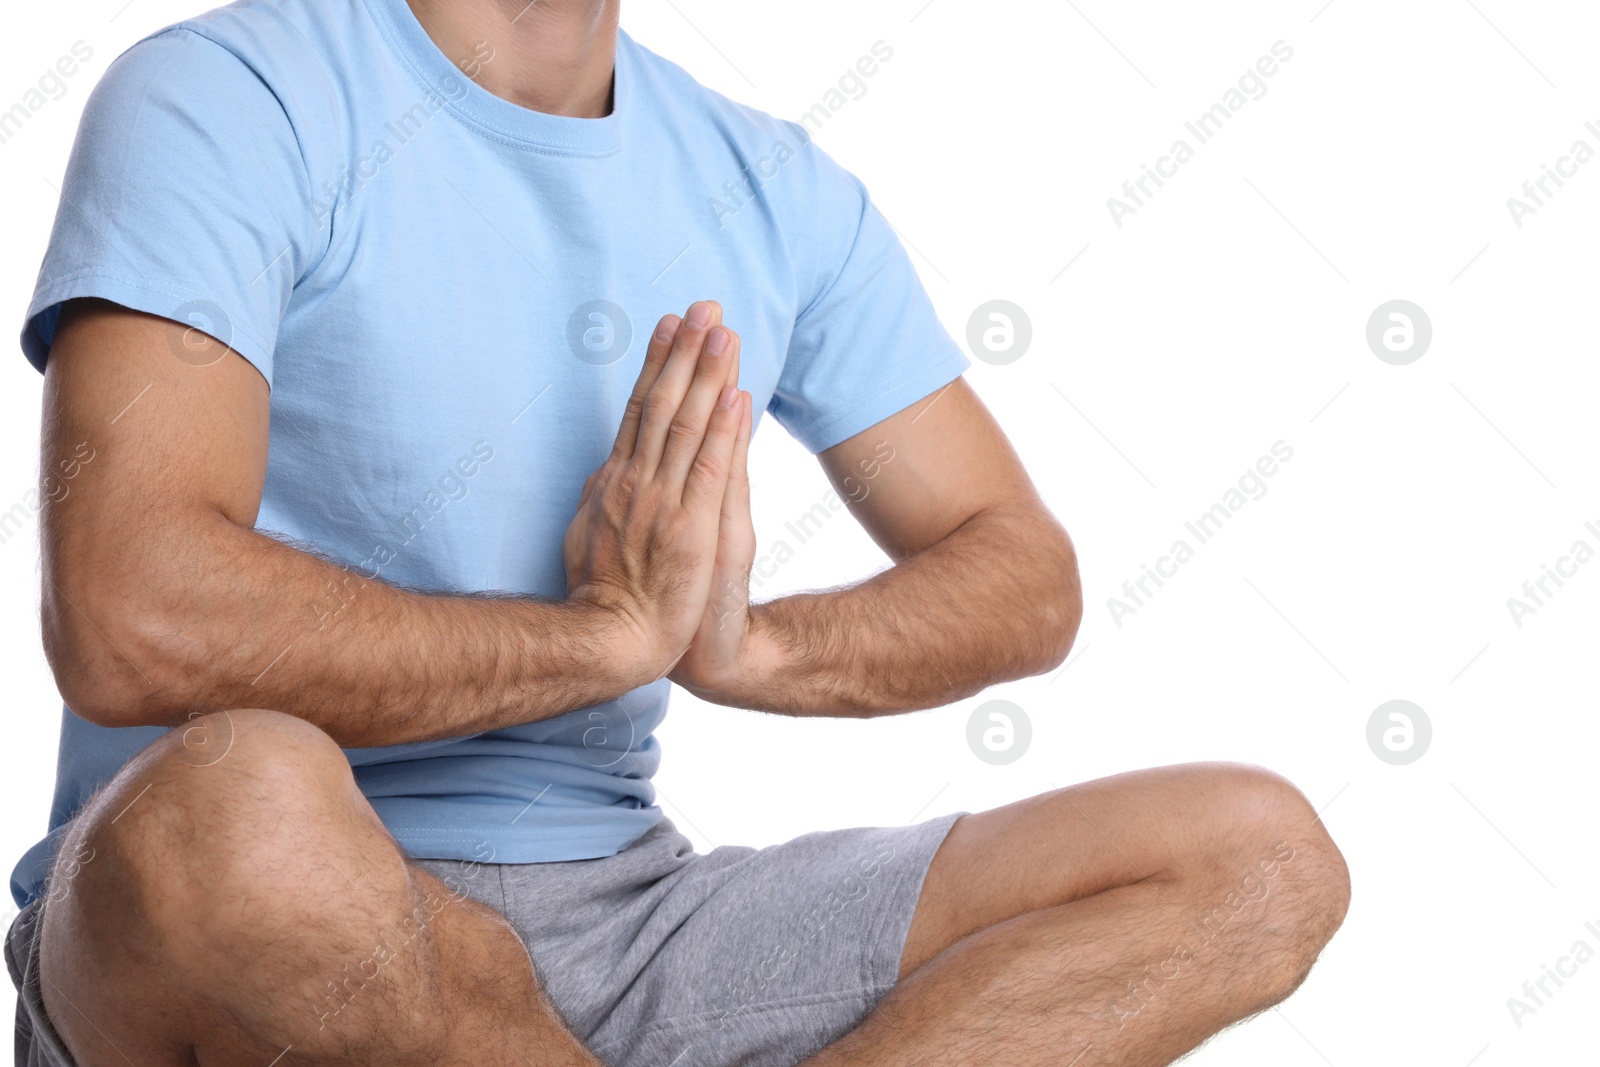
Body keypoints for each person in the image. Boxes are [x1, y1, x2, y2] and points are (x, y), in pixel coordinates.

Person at [4, 0, 1350, 1064]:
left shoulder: (775, 186)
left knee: (1255, 853)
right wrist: (594, 643)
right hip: (249, 926)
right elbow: (135, 619)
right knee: (241, 806)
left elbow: (1019, 571)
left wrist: (745, 646)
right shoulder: (231, 96)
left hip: (631, 923)